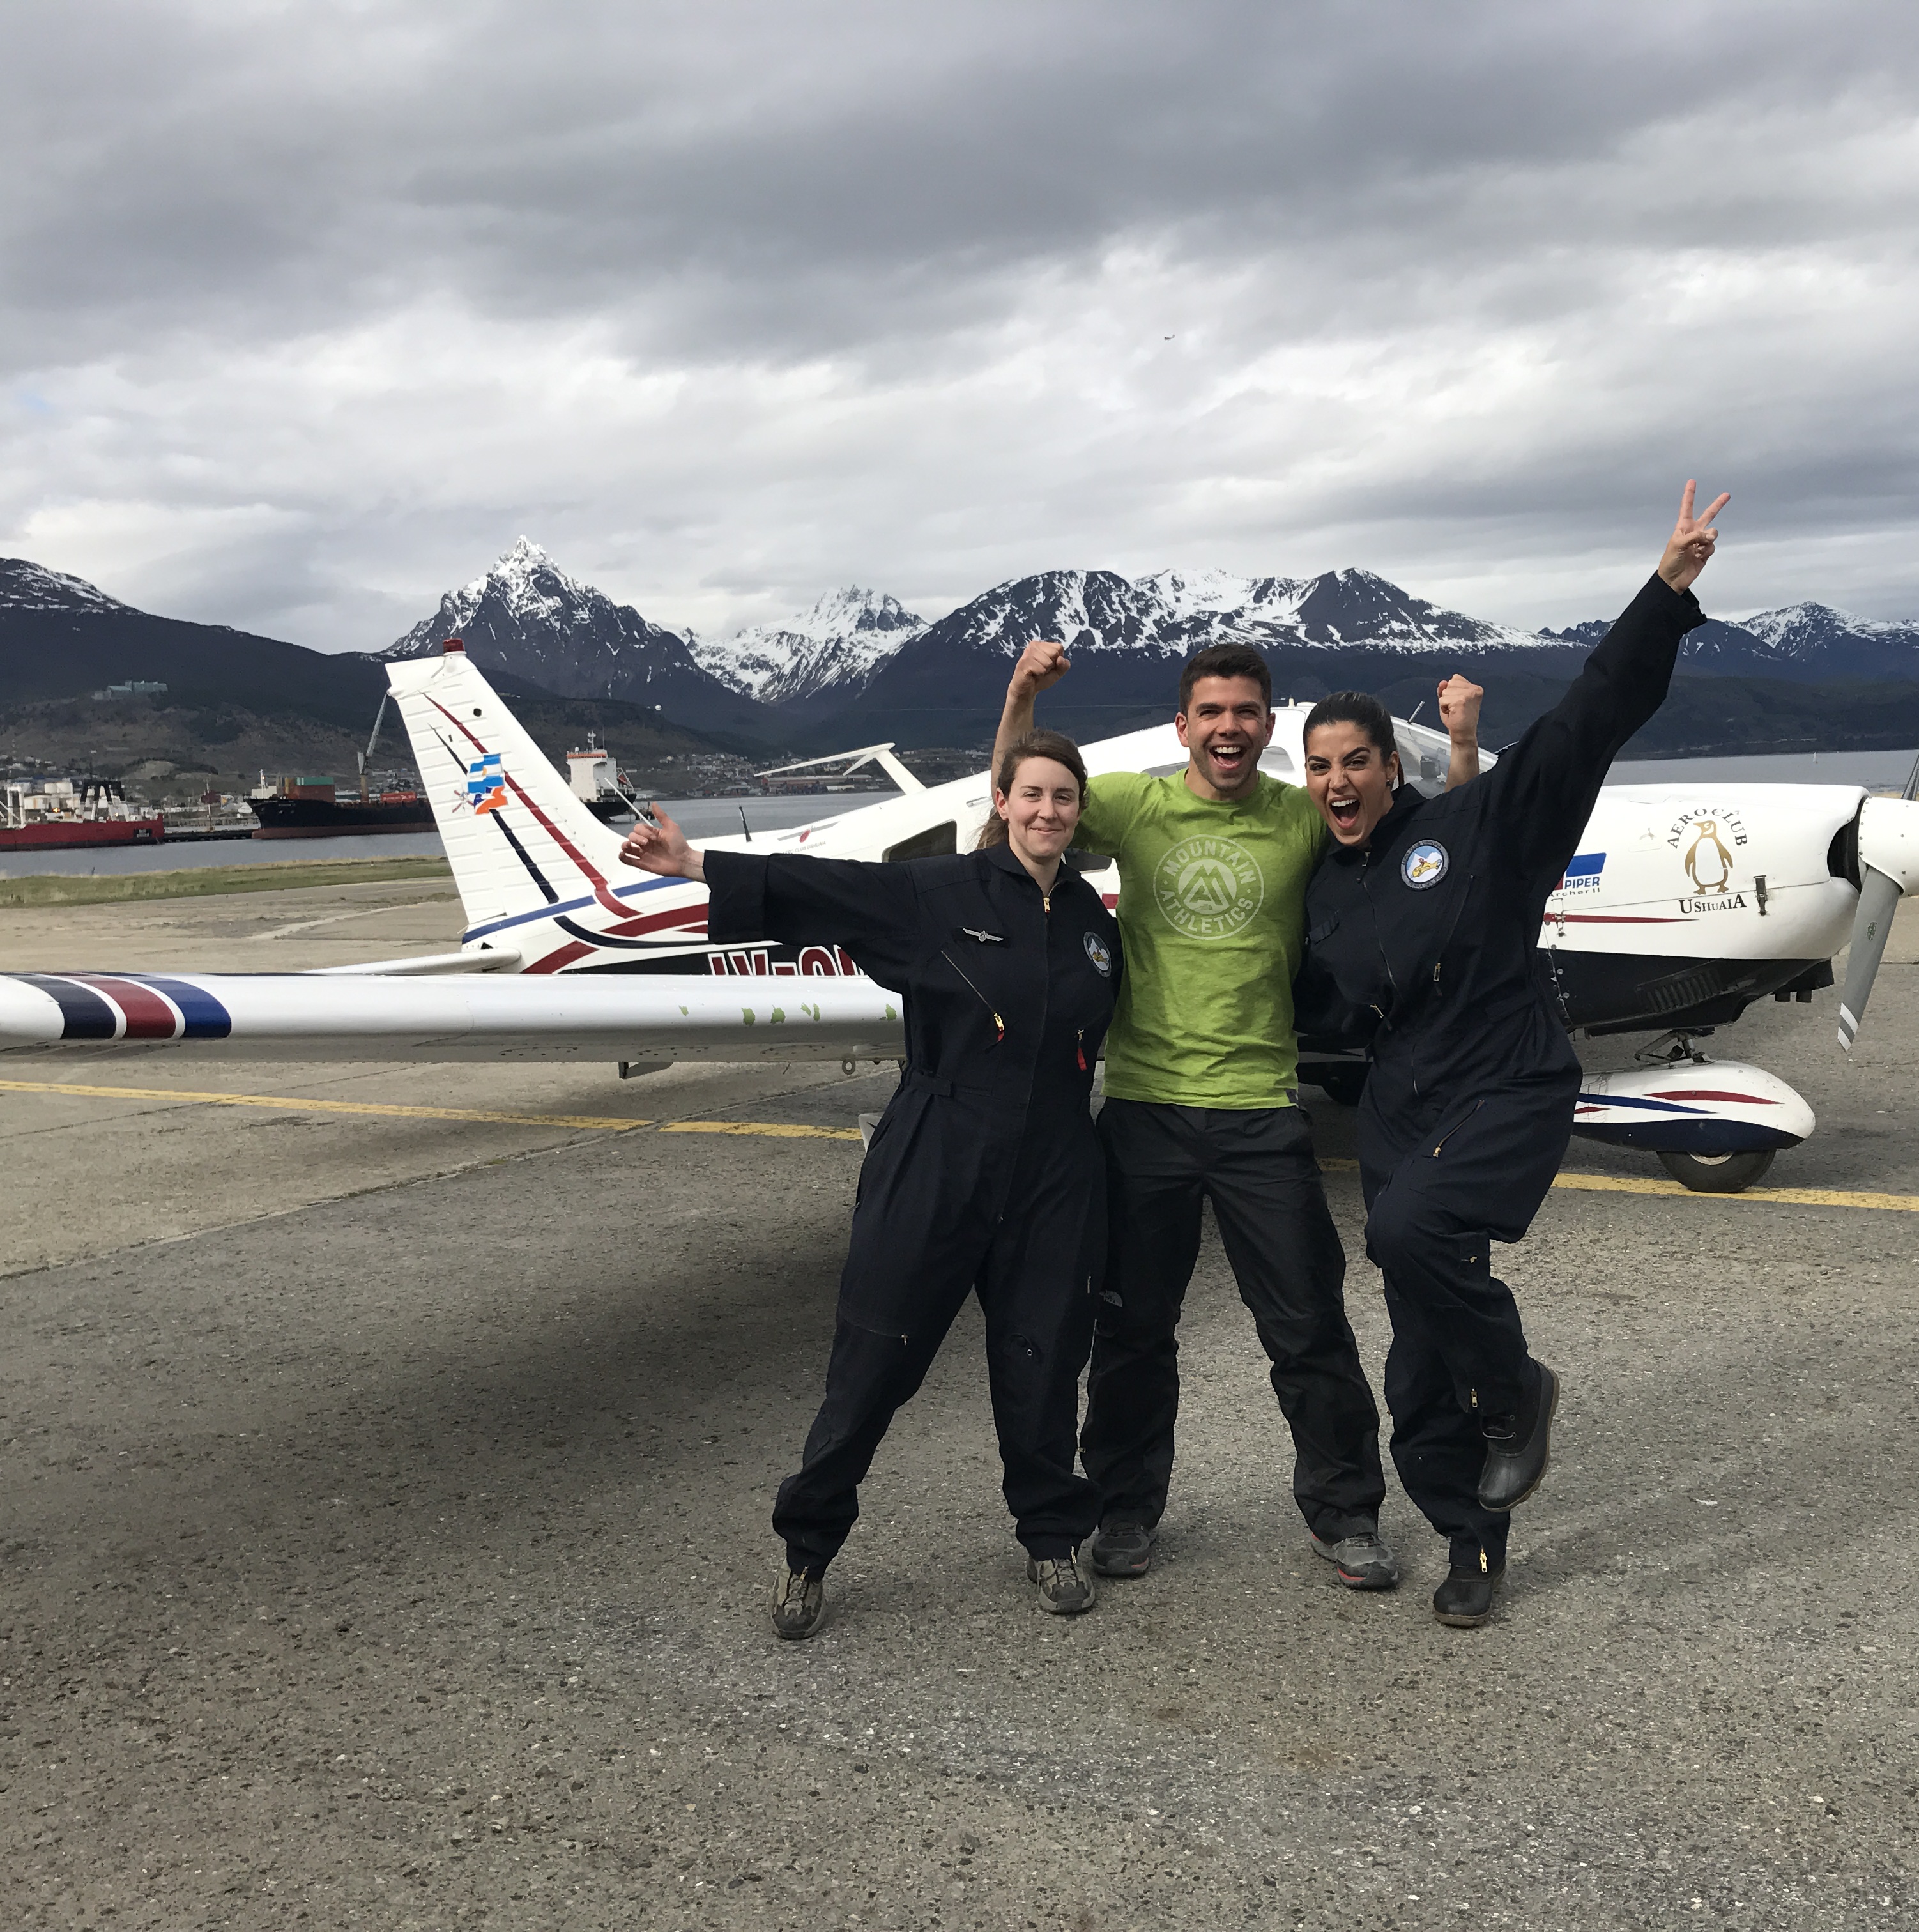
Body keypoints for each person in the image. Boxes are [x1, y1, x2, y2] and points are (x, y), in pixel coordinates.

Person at [1295, 480, 1728, 1629]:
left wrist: (1664, 593)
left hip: (1505, 1079)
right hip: (1402, 1107)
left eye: (1357, 761)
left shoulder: (1474, 826)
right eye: (1320, 767)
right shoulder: (1320, 892)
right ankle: (1471, 1538)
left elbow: (1586, 723)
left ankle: (1521, 1389)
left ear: (1392, 767)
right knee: (1416, 1356)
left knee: (1406, 1233)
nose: (1339, 782)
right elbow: (1311, 1009)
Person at [618, 732, 1122, 1637]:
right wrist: (693, 864)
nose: (1048, 811)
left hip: (1055, 1163)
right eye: (1032, 794)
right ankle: (807, 1552)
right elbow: (826, 888)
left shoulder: (1093, 921)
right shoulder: (939, 892)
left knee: (1046, 1360)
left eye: (1064, 797)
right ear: (1002, 802)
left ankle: (1052, 1537)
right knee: (874, 1360)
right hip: (938, 1148)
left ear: (1079, 810)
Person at [995, 640, 1472, 1590]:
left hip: (1261, 1111)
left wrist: (1461, 745)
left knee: (1308, 1327)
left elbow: (1439, 842)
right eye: (1211, 712)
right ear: (1184, 726)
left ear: (1268, 725)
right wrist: (1020, 696)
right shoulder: (1135, 805)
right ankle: (1124, 1507)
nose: (1228, 727)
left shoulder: (1301, 816)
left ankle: (1346, 1513)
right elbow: (1016, 794)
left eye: (1246, 711)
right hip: (1145, 1109)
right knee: (1133, 1332)